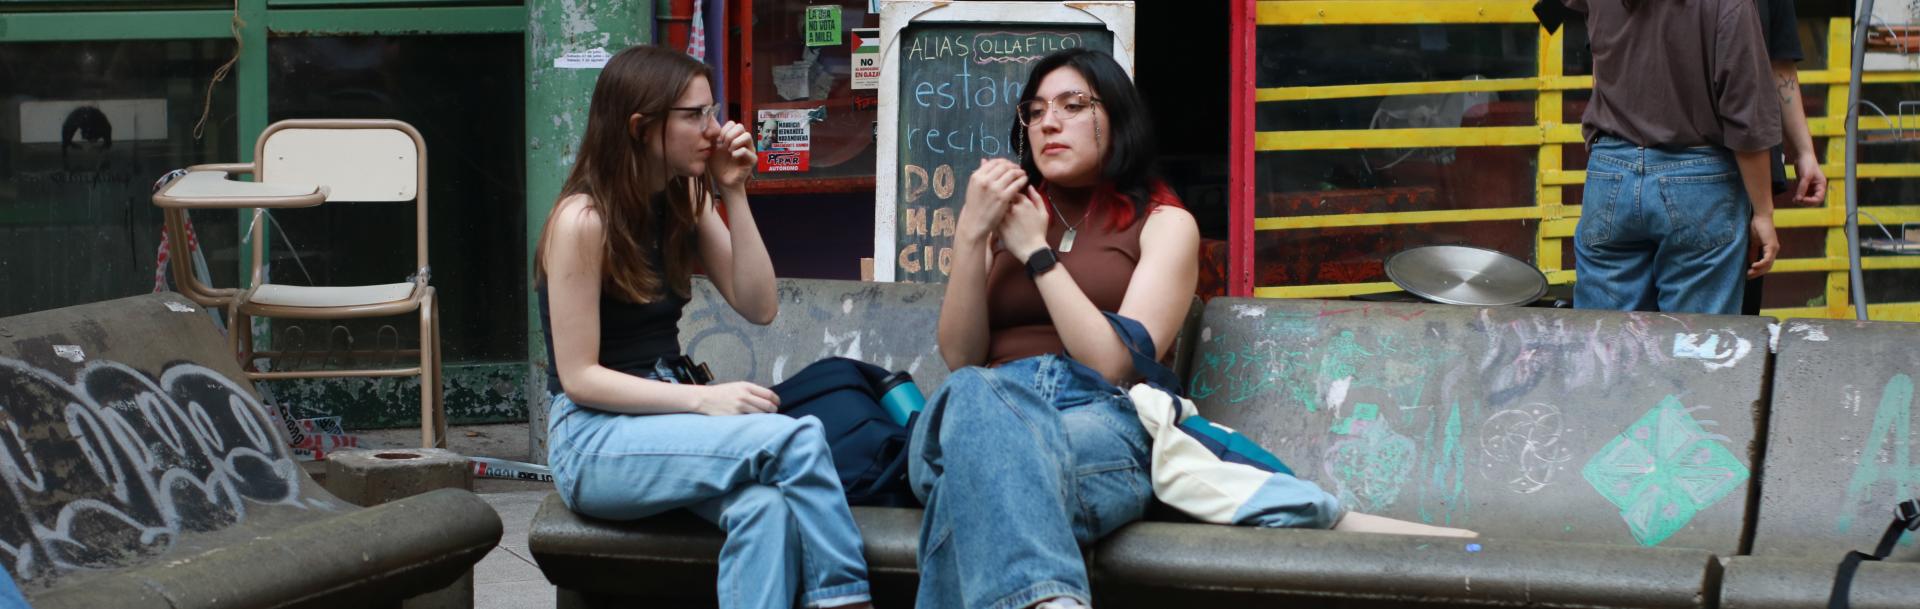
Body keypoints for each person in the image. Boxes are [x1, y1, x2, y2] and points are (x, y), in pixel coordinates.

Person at [910, 48, 1474, 609]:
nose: (1048, 122)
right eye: (1033, 112)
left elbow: (1110, 366)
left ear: (1119, 117)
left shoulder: (1164, 224)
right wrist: (969, 235)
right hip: (982, 412)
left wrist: (1035, 252)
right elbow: (962, 356)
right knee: (973, 397)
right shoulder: (998, 218)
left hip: (1096, 418)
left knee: (973, 482)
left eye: (1073, 104)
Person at [534, 45, 872, 609]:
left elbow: (760, 304)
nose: (714, 130)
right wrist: (704, 402)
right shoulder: (582, 221)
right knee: (795, 437)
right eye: (694, 116)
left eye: (712, 111)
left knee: (764, 509)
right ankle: (844, 599)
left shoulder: (681, 199)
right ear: (641, 127)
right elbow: (580, 378)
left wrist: (733, 190)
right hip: (592, 438)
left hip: (663, 416)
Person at [1565, 0, 1784, 314]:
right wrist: (1763, 212)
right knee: (1694, 349)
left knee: (1606, 349)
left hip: (1610, 172)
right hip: (1700, 182)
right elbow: (1746, 119)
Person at [1743, 0, 1829, 315]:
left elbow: (1779, 65)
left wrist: (1805, 151)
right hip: (1725, 173)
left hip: (1742, 173)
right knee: (1722, 332)